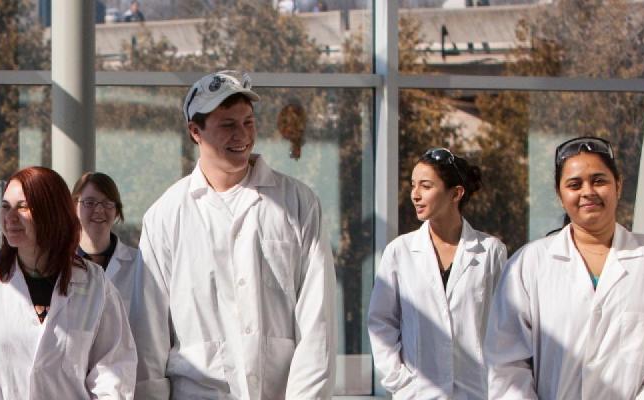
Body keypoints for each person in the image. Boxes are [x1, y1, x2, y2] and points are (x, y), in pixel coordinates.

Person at [134, 70, 338, 399]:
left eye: (248, 122)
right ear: (195, 131)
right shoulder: (165, 216)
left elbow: (318, 322)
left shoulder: (298, 204)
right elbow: (148, 334)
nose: (241, 135)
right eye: (227, 125)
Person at [484, 136, 644, 399]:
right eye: (574, 184)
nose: (588, 192)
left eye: (599, 180)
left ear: (617, 186)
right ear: (560, 195)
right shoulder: (529, 264)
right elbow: (504, 360)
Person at [0, 166, 137, 399]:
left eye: (22, 206)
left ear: (52, 211)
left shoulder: (94, 284)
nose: (10, 217)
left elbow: (113, 370)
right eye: (5, 206)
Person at [367, 148, 508, 398]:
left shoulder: (490, 252)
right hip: (418, 393)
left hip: (475, 391)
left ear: (456, 193)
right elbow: (381, 322)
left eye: (426, 186)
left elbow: (504, 327)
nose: (415, 195)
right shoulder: (400, 252)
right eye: (413, 185)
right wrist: (399, 380)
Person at [72, 171, 152, 384]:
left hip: (126, 380)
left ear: (117, 211)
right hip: (73, 381)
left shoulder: (140, 265)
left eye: (108, 203)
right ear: (74, 207)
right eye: (89, 202)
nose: (99, 210)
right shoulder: (59, 267)